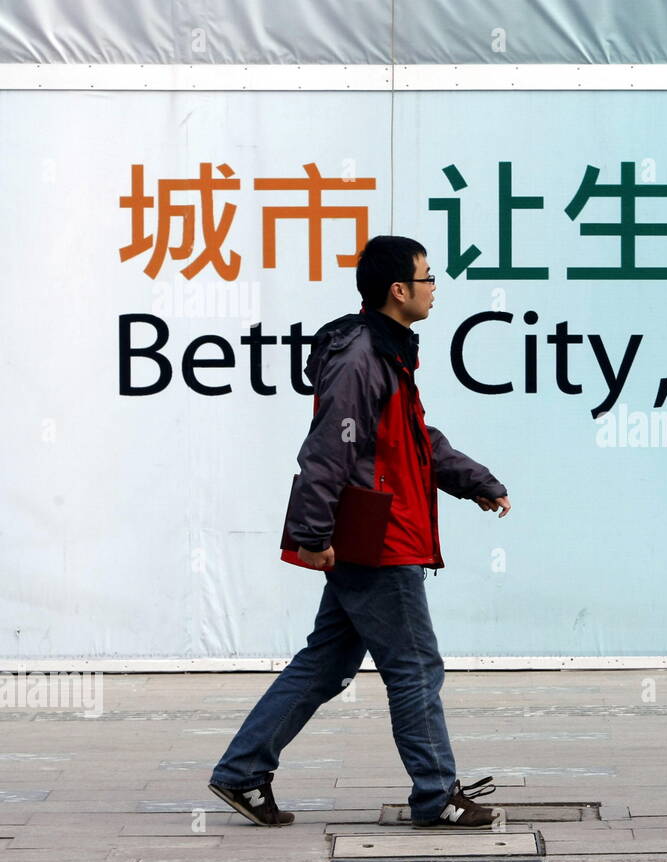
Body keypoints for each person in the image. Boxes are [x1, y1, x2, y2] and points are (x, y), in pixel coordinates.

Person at [208, 235, 511, 828]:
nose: (434, 288)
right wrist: (313, 535)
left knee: (326, 663)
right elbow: (327, 452)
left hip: (380, 533)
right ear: (399, 289)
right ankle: (435, 793)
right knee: (417, 666)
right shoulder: (361, 358)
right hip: (379, 541)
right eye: (428, 278)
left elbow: (415, 443)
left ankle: (243, 771)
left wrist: (473, 480)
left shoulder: (388, 351)